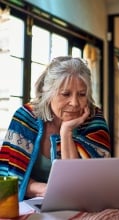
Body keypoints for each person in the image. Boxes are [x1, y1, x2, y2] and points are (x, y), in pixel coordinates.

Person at [0, 56, 111, 201]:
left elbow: (83, 184)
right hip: (28, 203)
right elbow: (7, 178)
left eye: (82, 94)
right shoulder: (25, 117)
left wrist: (66, 132)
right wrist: (45, 190)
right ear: (48, 93)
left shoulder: (94, 120)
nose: (75, 103)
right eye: (66, 94)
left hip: (80, 205)